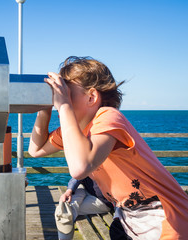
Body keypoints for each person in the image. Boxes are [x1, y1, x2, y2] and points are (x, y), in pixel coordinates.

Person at [28, 56, 188, 239]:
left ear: (92, 97)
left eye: (67, 93)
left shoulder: (108, 116)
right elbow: (36, 150)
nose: (59, 99)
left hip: (167, 221)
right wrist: (44, 109)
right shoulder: (74, 129)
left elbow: (80, 168)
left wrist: (64, 107)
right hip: (129, 220)